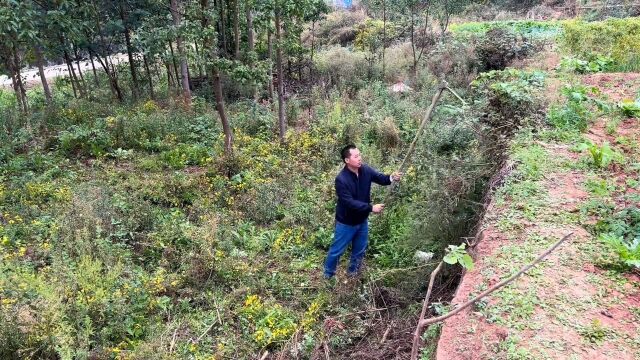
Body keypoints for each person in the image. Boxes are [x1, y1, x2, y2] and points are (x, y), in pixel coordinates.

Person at [323, 144, 402, 280]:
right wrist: (371, 208)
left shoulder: (365, 170)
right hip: (346, 223)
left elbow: (380, 178)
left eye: (360, 155)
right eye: (356, 156)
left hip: (362, 221)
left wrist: (391, 177)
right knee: (337, 251)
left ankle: (353, 275)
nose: (360, 158)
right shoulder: (341, 180)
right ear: (347, 160)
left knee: (359, 251)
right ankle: (328, 277)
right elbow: (349, 203)